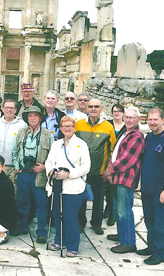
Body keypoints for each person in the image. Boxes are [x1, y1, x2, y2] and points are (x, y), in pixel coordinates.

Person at [137, 108, 164, 265]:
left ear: (163, 120)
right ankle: (151, 247)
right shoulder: (149, 137)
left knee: (160, 222)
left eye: (155, 119)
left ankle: (160, 253)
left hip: (162, 191)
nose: (152, 122)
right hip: (148, 188)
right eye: (150, 119)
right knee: (149, 220)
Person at [45, 116, 91, 257]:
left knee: (70, 216)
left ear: (74, 127)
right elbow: (49, 161)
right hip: (57, 184)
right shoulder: (56, 144)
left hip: (74, 186)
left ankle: (72, 245)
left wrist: (69, 174)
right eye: (64, 126)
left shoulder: (81, 144)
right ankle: (59, 240)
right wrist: (51, 171)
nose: (67, 128)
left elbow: (86, 167)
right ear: (60, 127)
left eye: (70, 125)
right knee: (57, 214)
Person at [102, 107, 144, 254]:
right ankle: (122, 235)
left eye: (131, 118)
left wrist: (109, 170)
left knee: (124, 210)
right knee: (117, 209)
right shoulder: (125, 132)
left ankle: (128, 243)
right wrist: (110, 171)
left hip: (125, 179)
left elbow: (127, 159)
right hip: (117, 177)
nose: (128, 120)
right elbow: (116, 153)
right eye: (126, 117)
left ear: (138, 120)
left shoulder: (137, 136)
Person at [75, 98, 116, 234]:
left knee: (98, 200)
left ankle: (96, 223)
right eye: (90, 106)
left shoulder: (108, 127)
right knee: (81, 199)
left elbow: (113, 150)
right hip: (81, 170)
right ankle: (81, 222)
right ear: (86, 108)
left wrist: (108, 170)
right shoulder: (79, 124)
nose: (93, 109)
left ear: (101, 109)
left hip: (99, 171)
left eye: (96, 106)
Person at [12, 106, 54, 240]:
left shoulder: (47, 135)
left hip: (39, 174)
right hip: (24, 172)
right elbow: (14, 151)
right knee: (23, 201)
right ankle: (23, 225)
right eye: (30, 116)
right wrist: (17, 166)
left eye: (36, 115)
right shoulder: (21, 132)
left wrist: (44, 167)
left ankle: (41, 231)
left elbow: (54, 155)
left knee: (41, 203)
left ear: (40, 118)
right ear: (27, 118)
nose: (33, 118)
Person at [0, 100, 27, 193]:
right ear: (2, 109)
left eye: (11, 108)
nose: (9, 110)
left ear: (15, 110)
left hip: (13, 166)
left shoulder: (22, 124)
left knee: (13, 191)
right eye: (7, 108)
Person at [103, 103, 126, 225]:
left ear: (123, 113)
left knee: (114, 189)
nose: (117, 113)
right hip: (107, 158)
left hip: (120, 160)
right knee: (107, 188)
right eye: (115, 111)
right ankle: (107, 209)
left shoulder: (126, 127)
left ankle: (113, 214)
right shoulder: (108, 124)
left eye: (119, 111)